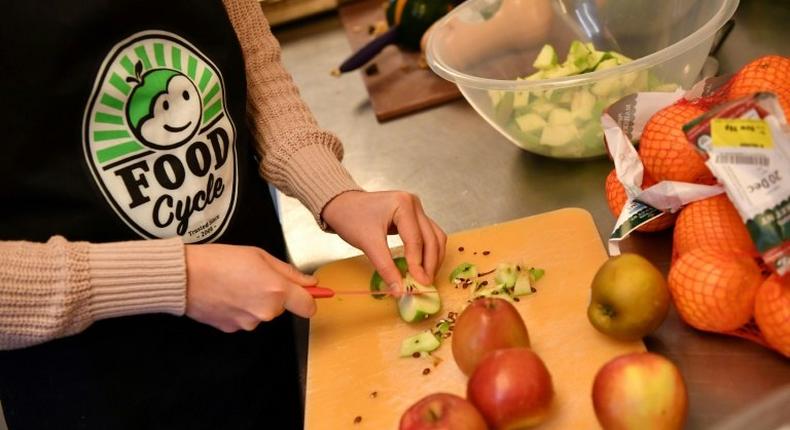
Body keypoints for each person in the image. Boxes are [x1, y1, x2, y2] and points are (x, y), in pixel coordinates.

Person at [0, 0, 446, 428]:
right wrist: (180, 278)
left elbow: (254, 69)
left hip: (254, 339)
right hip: (95, 384)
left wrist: (333, 191)